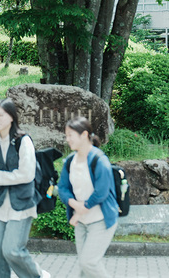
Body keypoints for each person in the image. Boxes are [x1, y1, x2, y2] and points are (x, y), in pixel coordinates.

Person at [0, 99, 51, 278]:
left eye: (1, 115)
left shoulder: (23, 141)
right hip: (2, 206)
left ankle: (38, 275)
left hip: (23, 204)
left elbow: (27, 174)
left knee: (12, 250)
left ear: (11, 117)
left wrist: (0, 177)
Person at [58, 116, 120, 278]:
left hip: (101, 220)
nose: (67, 139)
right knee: (84, 269)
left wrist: (79, 210)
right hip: (82, 223)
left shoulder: (99, 160)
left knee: (89, 263)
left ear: (84, 135)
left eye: (70, 135)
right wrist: (73, 203)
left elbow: (101, 192)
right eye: (66, 135)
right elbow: (63, 187)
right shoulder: (70, 161)